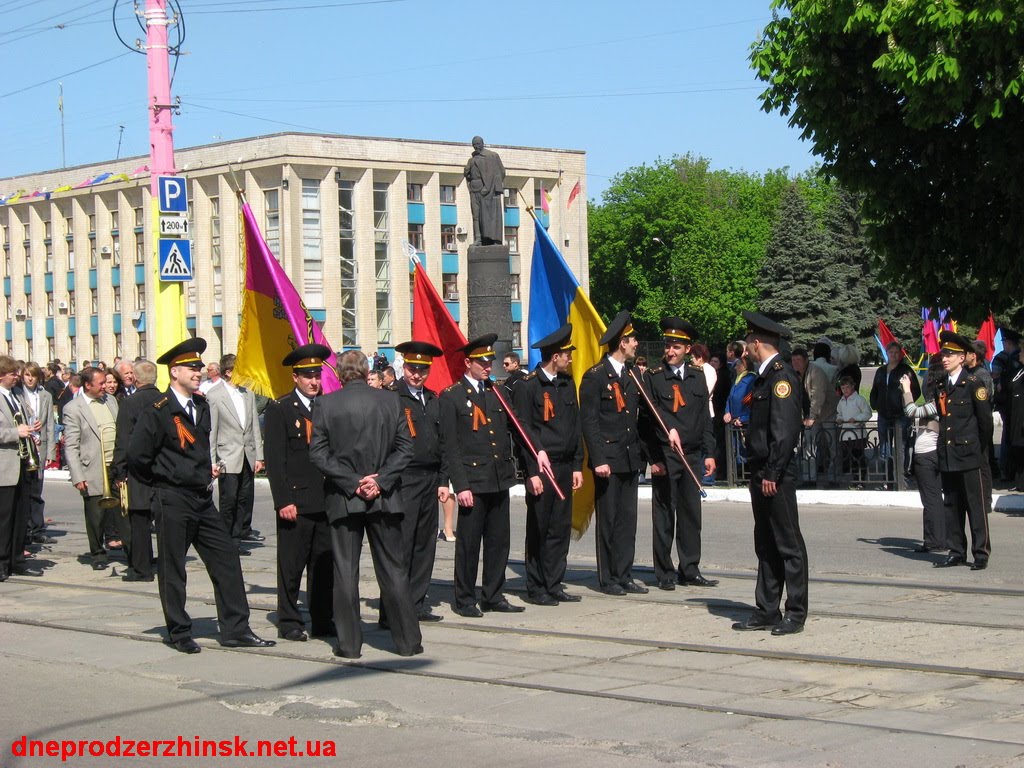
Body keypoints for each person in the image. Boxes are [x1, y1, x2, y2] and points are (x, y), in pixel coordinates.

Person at [129, 338, 274, 654]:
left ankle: (236, 629)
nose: (198, 372)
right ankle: (179, 631)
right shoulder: (158, 411)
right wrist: (163, 483)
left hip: (202, 498)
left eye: (199, 367)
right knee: (173, 568)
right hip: (172, 498)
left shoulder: (201, 406)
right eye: (192, 368)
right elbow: (137, 458)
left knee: (227, 559)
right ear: (175, 371)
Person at [309, 350, 422, 658]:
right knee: (394, 569)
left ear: (340, 374)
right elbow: (405, 449)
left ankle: (349, 645)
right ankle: (408, 641)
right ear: (365, 371)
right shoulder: (390, 401)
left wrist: (352, 481)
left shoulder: (326, 404)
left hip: (344, 498)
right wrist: (380, 480)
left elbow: (318, 454)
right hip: (384, 497)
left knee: (345, 571)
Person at [439, 334, 538, 615]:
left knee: (498, 542)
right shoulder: (452, 396)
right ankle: (465, 598)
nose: (487, 367)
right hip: (473, 482)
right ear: (467, 363)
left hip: (498, 478)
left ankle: (493, 594)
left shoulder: (498, 392)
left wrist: (538, 451)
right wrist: (460, 485)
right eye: (481, 362)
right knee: (469, 545)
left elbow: (518, 426)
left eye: (489, 362)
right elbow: (450, 446)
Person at [732, 311, 808, 636]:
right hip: (761, 469)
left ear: (757, 343)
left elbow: (785, 430)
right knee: (765, 542)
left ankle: (796, 612)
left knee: (788, 543)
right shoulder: (763, 377)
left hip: (775, 474)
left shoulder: (781, 378)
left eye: (749, 341)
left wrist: (773, 472)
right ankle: (767, 609)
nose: (746, 347)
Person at [901, 331, 992, 570]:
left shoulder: (974, 384)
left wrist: (978, 451)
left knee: (975, 506)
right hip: (948, 455)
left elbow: (985, 424)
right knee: (952, 506)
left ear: (962, 358)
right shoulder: (942, 386)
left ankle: (980, 553)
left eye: (950, 355)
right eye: (944, 355)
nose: (945, 358)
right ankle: (956, 551)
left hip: (969, 455)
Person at [264, 344, 335, 642]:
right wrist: (283, 500)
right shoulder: (281, 408)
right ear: (295, 377)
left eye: (317, 375)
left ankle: (323, 619)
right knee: (291, 566)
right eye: (307, 376)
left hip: (325, 500)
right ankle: (289, 620)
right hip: (296, 501)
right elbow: (275, 460)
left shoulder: (327, 407)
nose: (313, 381)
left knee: (324, 566)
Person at [641, 318, 717, 591]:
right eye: (667, 346)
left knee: (690, 514)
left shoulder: (697, 376)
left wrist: (709, 452)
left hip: (692, 454)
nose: (670, 351)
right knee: (664, 515)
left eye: (676, 347)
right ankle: (664, 572)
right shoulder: (653, 377)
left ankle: (690, 569)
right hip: (667, 454)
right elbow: (647, 420)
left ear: (687, 349)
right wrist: (654, 459)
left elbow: (704, 417)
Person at [512, 324, 584, 605]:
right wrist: (531, 472)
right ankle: (537, 586)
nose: (570, 359)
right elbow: (523, 432)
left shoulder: (566, 383)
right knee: (540, 527)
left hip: (564, 466)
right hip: (542, 468)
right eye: (567, 354)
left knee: (559, 527)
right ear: (555, 356)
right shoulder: (528, 386)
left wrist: (577, 464)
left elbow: (575, 426)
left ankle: (554, 582)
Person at [580, 311, 648, 596]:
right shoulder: (595, 376)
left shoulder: (632, 375)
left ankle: (624, 573)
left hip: (630, 457)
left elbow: (641, 416)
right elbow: (590, 422)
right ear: (622, 342)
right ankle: (608, 578)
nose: (636, 345)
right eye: (633, 340)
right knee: (608, 520)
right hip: (608, 459)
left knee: (627, 521)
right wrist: (598, 459)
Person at [387, 340, 449, 624]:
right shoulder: (392, 398)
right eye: (412, 368)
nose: (417, 374)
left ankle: (416, 602)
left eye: (423, 369)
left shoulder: (433, 400)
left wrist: (443, 479)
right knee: (402, 544)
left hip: (430, 478)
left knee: (425, 544)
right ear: (404, 367)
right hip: (404, 479)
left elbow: (444, 442)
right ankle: (394, 607)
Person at [63, 366, 128, 571]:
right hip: (92, 468)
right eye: (100, 384)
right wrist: (77, 475)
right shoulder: (74, 408)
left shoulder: (110, 401)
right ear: (88, 385)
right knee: (96, 516)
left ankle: (132, 551)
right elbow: (71, 446)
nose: (105, 387)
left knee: (124, 512)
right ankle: (98, 553)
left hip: (115, 465)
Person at [110, 359, 162, 582]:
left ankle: (142, 568)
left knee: (139, 520)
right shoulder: (165, 399)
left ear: (136, 379)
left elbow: (123, 439)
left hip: (138, 470)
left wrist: (119, 470)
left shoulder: (130, 403)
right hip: (162, 469)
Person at [207, 354, 265, 554]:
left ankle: (236, 538)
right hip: (227, 456)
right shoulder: (215, 395)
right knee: (229, 500)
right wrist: (212, 460)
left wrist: (259, 456)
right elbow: (212, 431)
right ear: (229, 372)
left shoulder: (247, 394)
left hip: (247, 455)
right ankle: (225, 541)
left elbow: (254, 426)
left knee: (243, 499)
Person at [0, 355, 42, 581]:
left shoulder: (16, 395)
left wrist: (32, 427)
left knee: (20, 515)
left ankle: (17, 560)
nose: (17, 377)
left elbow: (22, 421)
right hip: (4, 467)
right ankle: (2, 562)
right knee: (4, 518)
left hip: (23, 463)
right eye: (12, 374)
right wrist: (15, 432)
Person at [902, 354, 946, 552]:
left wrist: (906, 390)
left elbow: (911, 411)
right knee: (934, 498)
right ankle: (939, 539)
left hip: (927, 454)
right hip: (932, 453)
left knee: (931, 499)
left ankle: (935, 541)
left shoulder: (936, 403)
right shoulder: (943, 400)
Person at [16, 363, 55, 546]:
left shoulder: (45, 395)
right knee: (25, 489)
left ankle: (38, 529)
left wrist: (51, 451)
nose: (30, 379)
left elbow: (50, 425)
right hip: (25, 444)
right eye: (27, 375)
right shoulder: (17, 394)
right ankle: (25, 529)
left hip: (40, 445)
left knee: (37, 489)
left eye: (33, 375)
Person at [870, 341, 920, 477]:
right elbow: (875, 390)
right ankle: (888, 477)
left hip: (901, 415)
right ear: (886, 353)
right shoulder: (881, 371)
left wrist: (905, 403)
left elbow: (916, 390)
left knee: (901, 447)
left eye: (896, 352)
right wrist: (875, 404)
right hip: (883, 415)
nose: (893, 355)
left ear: (900, 354)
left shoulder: (906, 370)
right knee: (884, 447)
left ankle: (901, 477)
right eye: (891, 352)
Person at [791, 347, 836, 485]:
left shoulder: (816, 372)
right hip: (809, 415)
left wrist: (812, 417)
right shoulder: (795, 374)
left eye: (798, 360)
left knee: (832, 447)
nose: (795, 363)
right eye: (793, 360)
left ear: (806, 360)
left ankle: (834, 478)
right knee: (808, 446)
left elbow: (818, 396)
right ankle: (809, 478)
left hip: (828, 413)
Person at [464, 136, 505, 245]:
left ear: (482, 144)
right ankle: (478, 238)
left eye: (478, 144)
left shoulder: (491, 156)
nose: (476, 146)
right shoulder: (472, 160)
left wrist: (491, 188)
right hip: (474, 190)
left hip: (487, 192)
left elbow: (501, 172)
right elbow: (467, 174)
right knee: (476, 215)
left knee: (488, 216)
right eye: (474, 145)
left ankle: (491, 238)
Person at [992, 329, 1022, 480]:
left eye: (1004, 342)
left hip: (1009, 403)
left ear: (1008, 343)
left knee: (1010, 437)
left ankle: (1008, 469)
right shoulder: (1008, 358)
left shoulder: (1009, 359)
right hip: (1010, 403)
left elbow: (1002, 380)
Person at [723, 354, 756, 469]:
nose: (736, 367)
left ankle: (746, 472)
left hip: (744, 422)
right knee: (736, 450)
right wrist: (727, 411)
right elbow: (730, 398)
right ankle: (738, 471)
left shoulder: (751, 379)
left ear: (744, 366)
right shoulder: (738, 379)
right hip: (734, 421)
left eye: (737, 365)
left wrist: (743, 418)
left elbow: (750, 400)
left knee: (745, 450)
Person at [835, 376, 871, 479]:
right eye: (843, 388)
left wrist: (857, 419)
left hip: (858, 435)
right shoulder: (841, 401)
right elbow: (839, 414)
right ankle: (854, 478)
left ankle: (861, 478)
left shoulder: (859, 399)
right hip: (845, 435)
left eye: (847, 387)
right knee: (849, 458)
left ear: (853, 386)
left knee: (858, 456)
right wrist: (839, 420)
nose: (845, 390)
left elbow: (867, 413)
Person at [1007, 344, 1024, 491]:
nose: (1019, 354)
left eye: (1022, 351)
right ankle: (1020, 481)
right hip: (1016, 414)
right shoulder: (1020, 370)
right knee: (1016, 446)